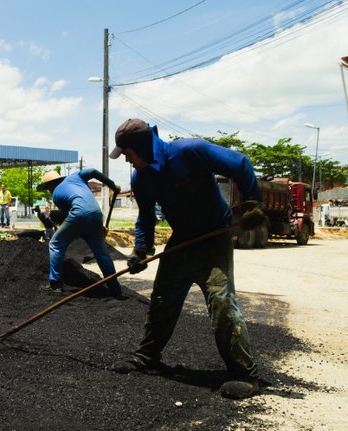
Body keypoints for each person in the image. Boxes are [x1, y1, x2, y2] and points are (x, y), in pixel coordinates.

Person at [108, 118, 266, 400]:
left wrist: (253, 203)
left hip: (214, 236)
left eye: (128, 155)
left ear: (143, 147)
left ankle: (245, 375)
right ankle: (147, 357)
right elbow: (145, 217)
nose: (128, 162)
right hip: (182, 240)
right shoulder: (142, 178)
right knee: (162, 299)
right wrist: (140, 251)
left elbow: (240, 163)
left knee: (221, 302)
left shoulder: (189, 151)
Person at [36, 168, 123, 298]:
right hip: (97, 214)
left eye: (48, 187)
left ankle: (55, 284)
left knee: (55, 244)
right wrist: (112, 185)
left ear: (50, 185)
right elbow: (93, 171)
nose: (49, 190)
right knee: (101, 253)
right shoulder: (76, 176)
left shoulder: (56, 196)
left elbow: (74, 218)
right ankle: (115, 289)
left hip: (79, 214)